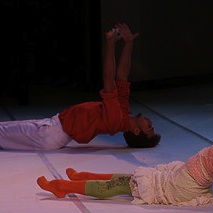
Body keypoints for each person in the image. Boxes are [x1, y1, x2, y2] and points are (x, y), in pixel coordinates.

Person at [37, 45, 213, 209]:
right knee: (134, 177)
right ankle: (82, 175)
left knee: (125, 185)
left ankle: (63, 186)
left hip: (185, 184)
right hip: (189, 171)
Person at [0, 23, 161, 150]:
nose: (150, 122)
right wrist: (129, 43)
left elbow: (108, 78)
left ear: (137, 131)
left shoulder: (116, 120)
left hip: (51, 133)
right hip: (52, 129)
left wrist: (110, 43)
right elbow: (121, 77)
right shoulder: (124, 112)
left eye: (150, 127)